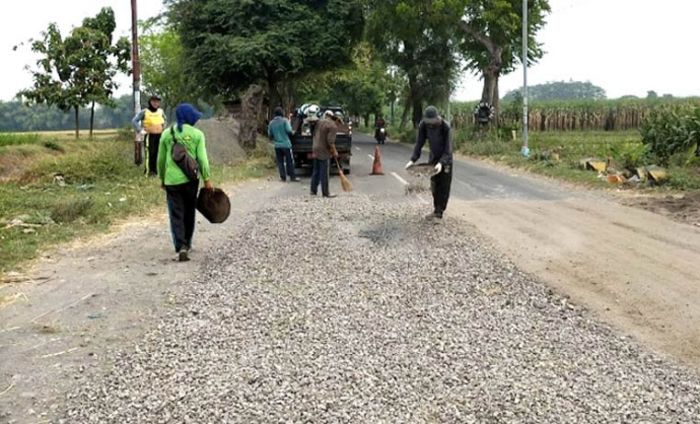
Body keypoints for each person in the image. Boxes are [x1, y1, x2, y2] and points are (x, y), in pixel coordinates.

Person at [157, 103, 213, 262]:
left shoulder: (167, 134)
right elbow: (202, 159)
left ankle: (180, 245)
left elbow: (160, 160)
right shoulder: (198, 135)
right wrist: (207, 179)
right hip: (191, 180)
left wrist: (162, 178)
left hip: (171, 181)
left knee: (176, 213)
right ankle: (187, 243)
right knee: (189, 211)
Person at [405, 106, 453, 219]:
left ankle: (439, 211)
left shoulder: (445, 127)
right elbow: (419, 143)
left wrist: (441, 163)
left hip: (445, 160)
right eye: (428, 122)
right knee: (434, 185)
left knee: (444, 186)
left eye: (432, 122)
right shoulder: (424, 125)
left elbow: (448, 149)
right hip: (433, 158)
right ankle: (436, 209)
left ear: (437, 118)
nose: (430, 124)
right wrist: (413, 159)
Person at [132, 95, 166, 176]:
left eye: (157, 101)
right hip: (149, 136)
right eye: (154, 101)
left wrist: (164, 128)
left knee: (157, 153)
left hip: (159, 135)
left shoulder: (161, 111)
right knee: (150, 153)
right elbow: (134, 121)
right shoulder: (145, 111)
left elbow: (165, 120)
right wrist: (140, 130)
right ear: (150, 102)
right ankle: (148, 171)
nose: (155, 103)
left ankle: (155, 171)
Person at [310, 110, 340, 198]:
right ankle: (326, 193)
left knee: (316, 170)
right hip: (323, 151)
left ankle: (313, 190)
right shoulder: (333, 126)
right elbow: (330, 141)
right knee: (324, 173)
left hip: (315, 148)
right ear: (336, 120)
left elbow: (314, 134)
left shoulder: (319, 122)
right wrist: (334, 151)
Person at [268, 107, 300, 182]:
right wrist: (293, 132)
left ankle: (283, 177)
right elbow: (289, 131)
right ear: (281, 113)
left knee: (280, 162)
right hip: (286, 145)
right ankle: (292, 177)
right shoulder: (285, 121)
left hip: (277, 145)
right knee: (289, 161)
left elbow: (269, 134)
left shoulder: (271, 123)